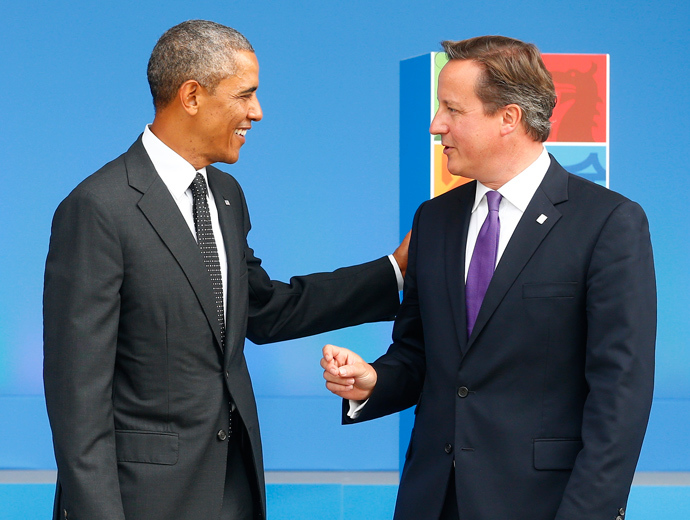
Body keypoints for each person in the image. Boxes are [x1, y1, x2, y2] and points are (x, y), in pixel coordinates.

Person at [43, 19, 408, 520]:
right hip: (142, 501)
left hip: (233, 491)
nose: (256, 113)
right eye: (245, 95)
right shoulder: (97, 208)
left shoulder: (226, 196)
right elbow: (77, 401)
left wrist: (394, 271)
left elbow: (263, 311)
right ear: (192, 95)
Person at [321, 35, 656, 520]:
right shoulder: (434, 220)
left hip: (543, 506)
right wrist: (374, 380)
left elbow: (620, 396)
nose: (437, 124)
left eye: (452, 109)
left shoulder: (608, 222)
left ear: (508, 118)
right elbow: (420, 353)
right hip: (431, 501)